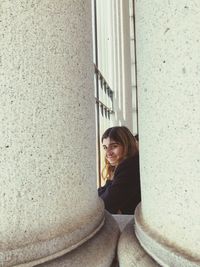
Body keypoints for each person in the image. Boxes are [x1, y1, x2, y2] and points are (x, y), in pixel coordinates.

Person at [98, 126, 141, 214]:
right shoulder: (124, 166)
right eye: (105, 147)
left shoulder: (130, 167)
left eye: (114, 146)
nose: (108, 153)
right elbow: (104, 192)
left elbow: (107, 202)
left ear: (127, 145)